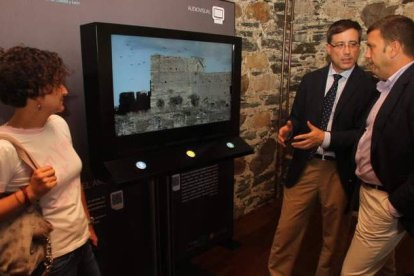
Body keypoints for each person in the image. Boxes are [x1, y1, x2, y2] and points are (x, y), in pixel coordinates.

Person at [268, 19, 377, 276]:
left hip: (339, 170)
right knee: (286, 231)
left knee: (334, 237)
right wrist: (289, 128)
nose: (347, 51)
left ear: (360, 46)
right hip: (305, 165)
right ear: (328, 48)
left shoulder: (370, 86)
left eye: (353, 44)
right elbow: (297, 117)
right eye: (340, 45)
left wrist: (325, 138)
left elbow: (363, 134)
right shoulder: (310, 80)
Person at [0, 46, 101, 275]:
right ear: (35, 94)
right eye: (57, 85)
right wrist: (29, 193)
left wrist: (87, 223)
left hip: (82, 244)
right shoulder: (4, 147)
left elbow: (74, 180)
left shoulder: (58, 124)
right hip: (49, 259)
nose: (64, 90)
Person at [341, 15, 414, 276]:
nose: (367, 55)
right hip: (371, 194)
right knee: (383, 267)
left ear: (393, 48)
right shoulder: (390, 85)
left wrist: (393, 206)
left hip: (385, 202)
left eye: (371, 46)